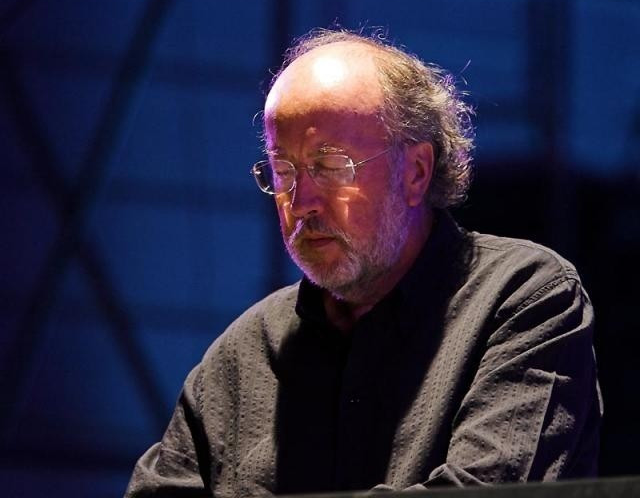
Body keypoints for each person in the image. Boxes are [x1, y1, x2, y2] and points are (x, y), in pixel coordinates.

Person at [125, 29, 602, 497]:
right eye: (282, 171)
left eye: (331, 166)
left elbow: (483, 490)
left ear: (415, 172)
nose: (300, 201)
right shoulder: (244, 351)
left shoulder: (526, 299)